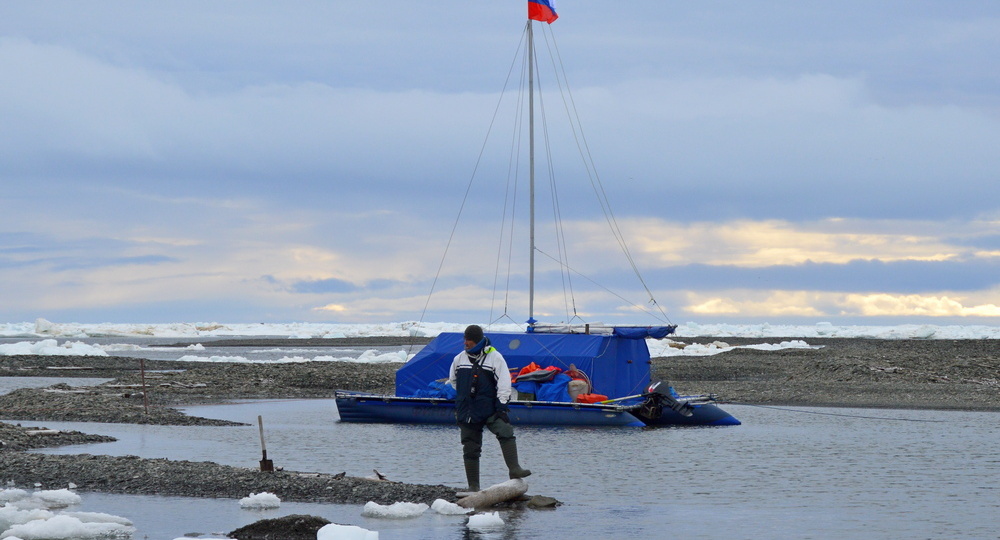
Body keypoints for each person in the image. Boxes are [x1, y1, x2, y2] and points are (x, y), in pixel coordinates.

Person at [448, 324, 531, 491]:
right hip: (468, 410)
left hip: (490, 409)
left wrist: (501, 406)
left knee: (505, 432)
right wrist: (465, 398)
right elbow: (453, 381)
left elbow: (504, 384)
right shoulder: (459, 359)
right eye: (465, 339)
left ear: (477, 340)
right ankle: (473, 487)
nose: (466, 343)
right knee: (470, 448)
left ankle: (514, 470)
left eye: (469, 340)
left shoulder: (495, 357)